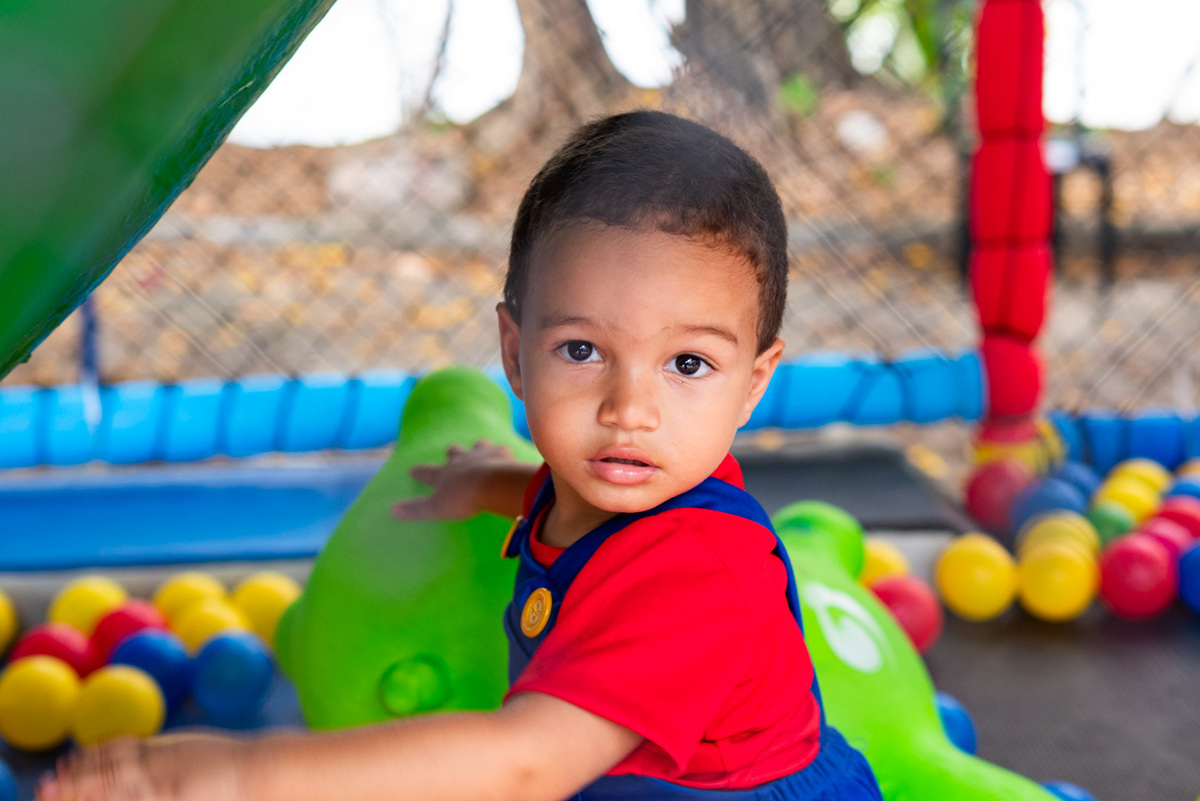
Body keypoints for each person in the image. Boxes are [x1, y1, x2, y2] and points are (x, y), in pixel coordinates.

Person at [38, 111, 882, 801]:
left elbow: (527, 764)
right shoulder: (608, 479)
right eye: (582, 350)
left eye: (688, 364)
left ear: (754, 383)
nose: (629, 408)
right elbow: (566, 515)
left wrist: (245, 771)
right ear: (515, 353)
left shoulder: (698, 572)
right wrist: (488, 483)